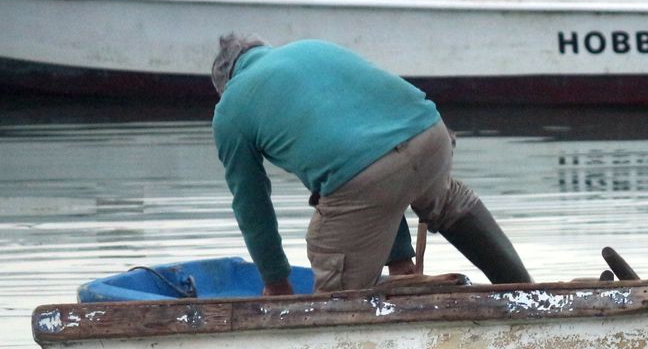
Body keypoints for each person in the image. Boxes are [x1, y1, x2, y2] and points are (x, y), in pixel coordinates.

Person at [210, 34, 531, 295]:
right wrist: (400, 258)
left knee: (333, 279)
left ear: (224, 84)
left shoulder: (230, 108)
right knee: (448, 200)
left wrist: (277, 283)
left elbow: (252, 207)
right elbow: (376, 146)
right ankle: (530, 295)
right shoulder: (312, 48)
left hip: (367, 175)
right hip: (431, 134)